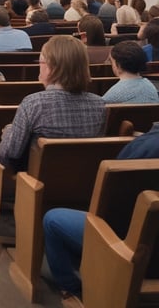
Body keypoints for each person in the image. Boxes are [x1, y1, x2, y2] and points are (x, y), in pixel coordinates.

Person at [44, 123, 159, 303]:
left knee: (52, 220)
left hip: (138, 253)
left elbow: (112, 201)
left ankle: (75, 289)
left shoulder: (144, 146)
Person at [0, 35, 105, 171]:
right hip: (84, 184)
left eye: (41, 62)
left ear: (51, 67)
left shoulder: (33, 104)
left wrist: (8, 133)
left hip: (35, 186)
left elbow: (9, 155)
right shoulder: (100, 105)